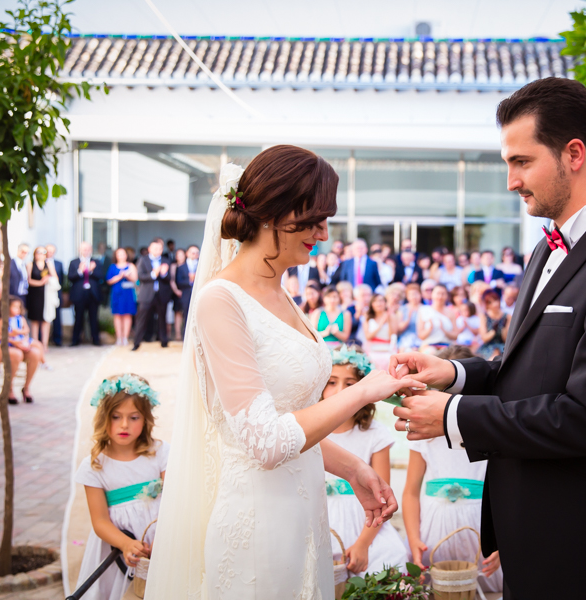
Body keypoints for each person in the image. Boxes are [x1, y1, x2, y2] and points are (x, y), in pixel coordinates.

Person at [388, 77, 586, 600]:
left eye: (522, 161)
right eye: (507, 164)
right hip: (527, 531)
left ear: (574, 154)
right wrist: (453, 372)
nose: (511, 181)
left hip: (582, 538)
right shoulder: (545, 247)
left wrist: (451, 417)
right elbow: (527, 366)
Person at [144, 148, 418, 600]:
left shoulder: (281, 292)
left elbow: (292, 418)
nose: (324, 234)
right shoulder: (222, 301)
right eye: (314, 219)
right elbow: (266, 440)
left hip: (303, 514)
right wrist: (364, 390)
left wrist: (353, 468)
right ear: (273, 213)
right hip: (257, 525)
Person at [403, 344, 503, 593]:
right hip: (433, 533)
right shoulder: (423, 438)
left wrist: (505, 543)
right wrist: (414, 538)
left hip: (482, 535)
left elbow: (508, 495)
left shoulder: (492, 435)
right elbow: (410, 492)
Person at [75, 374, 167, 600]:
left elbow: (175, 500)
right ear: (103, 417)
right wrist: (125, 544)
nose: (124, 425)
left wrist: (165, 536)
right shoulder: (94, 466)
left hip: (161, 542)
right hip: (117, 550)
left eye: (134, 417)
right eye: (116, 417)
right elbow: (99, 521)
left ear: (146, 419)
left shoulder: (160, 454)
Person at [323, 347, 407, 576]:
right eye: (331, 382)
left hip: (365, 523)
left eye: (350, 384)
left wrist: (362, 545)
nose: (340, 390)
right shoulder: (314, 432)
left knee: (392, 558)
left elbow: (381, 500)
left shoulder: (375, 434)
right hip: (322, 518)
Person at [132, 239, 172, 351]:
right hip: (147, 295)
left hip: (161, 295)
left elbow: (169, 279)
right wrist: (154, 274)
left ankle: (164, 342)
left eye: (160, 248)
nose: (158, 250)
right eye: (155, 248)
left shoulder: (166, 260)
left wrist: (164, 274)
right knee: (141, 319)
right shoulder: (142, 260)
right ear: (149, 249)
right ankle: (136, 343)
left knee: (162, 319)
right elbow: (141, 277)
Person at [68, 242, 105, 346]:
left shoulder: (96, 262)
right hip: (79, 295)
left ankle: (96, 340)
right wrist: (80, 270)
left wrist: (91, 271)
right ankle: (75, 340)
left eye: (88, 249)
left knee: (93, 318)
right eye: (84, 249)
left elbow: (101, 276)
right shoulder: (74, 262)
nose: (86, 251)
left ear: (91, 250)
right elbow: (71, 277)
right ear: (80, 250)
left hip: (93, 294)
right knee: (78, 318)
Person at [26, 246, 57, 351]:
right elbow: (28, 280)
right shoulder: (30, 264)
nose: (41, 254)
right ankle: (35, 343)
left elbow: (55, 277)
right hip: (35, 295)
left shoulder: (48, 264)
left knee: (46, 320)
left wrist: (49, 278)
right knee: (35, 320)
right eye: (38, 252)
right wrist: (40, 283)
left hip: (46, 295)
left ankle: (44, 345)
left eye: (44, 252)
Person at [106, 248, 138, 347]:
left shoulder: (131, 266)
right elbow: (109, 280)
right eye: (119, 254)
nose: (121, 256)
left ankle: (125, 338)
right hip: (117, 293)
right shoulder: (112, 267)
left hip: (127, 293)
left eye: (123, 254)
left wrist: (127, 276)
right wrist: (120, 276)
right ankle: (119, 338)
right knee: (117, 315)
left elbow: (135, 280)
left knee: (127, 315)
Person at [418, 284, 457, 351]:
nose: (440, 296)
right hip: (428, 345)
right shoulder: (424, 310)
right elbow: (421, 335)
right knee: (431, 352)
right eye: (438, 293)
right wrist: (430, 328)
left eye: (443, 294)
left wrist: (444, 330)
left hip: (446, 346)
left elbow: (455, 336)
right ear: (432, 294)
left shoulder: (451, 313)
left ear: (446, 296)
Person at [362, 294, 394, 370]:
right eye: (375, 301)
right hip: (372, 348)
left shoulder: (391, 316)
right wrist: (381, 324)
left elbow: (391, 336)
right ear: (372, 304)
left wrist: (388, 319)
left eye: (381, 301)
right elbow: (368, 336)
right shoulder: (368, 317)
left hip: (387, 348)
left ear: (385, 303)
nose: (378, 304)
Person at [478, 289, 509, 359]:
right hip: (488, 347)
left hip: (502, 346)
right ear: (487, 305)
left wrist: (503, 328)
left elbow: (506, 339)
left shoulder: (507, 316)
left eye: (495, 300)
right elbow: (484, 338)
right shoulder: (484, 316)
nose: (495, 304)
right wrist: (494, 331)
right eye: (490, 302)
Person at [45, 244, 65, 347]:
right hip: (43, 294)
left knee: (57, 317)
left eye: (52, 251)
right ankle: (43, 339)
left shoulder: (59, 264)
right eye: (48, 251)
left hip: (55, 293)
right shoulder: (40, 263)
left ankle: (57, 339)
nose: (49, 253)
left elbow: (61, 280)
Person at [396, 283, 424, 350]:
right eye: (411, 294)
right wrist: (408, 319)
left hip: (421, 340)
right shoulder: (402, 309)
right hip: (405, 340)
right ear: (407, 296)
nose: (414, 297)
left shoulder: (425, 308)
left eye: (416, 294)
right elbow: (399, 329)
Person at [170, 249, 187, 341]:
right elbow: (172, 280)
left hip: (186, 292)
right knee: (177, 313)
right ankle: (177, 334)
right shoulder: (173, 266)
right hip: (177, 292)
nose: (180, 257)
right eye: (178, 255)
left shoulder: (188, 265)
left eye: (182, 254)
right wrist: (176, 291)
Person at [8, 243, 30, 308]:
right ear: (18, 251)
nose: (24, 254)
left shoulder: (25, 264)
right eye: (23, 252)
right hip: (13, 294)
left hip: (23, 294)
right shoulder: (11, 263)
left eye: (27, 252)